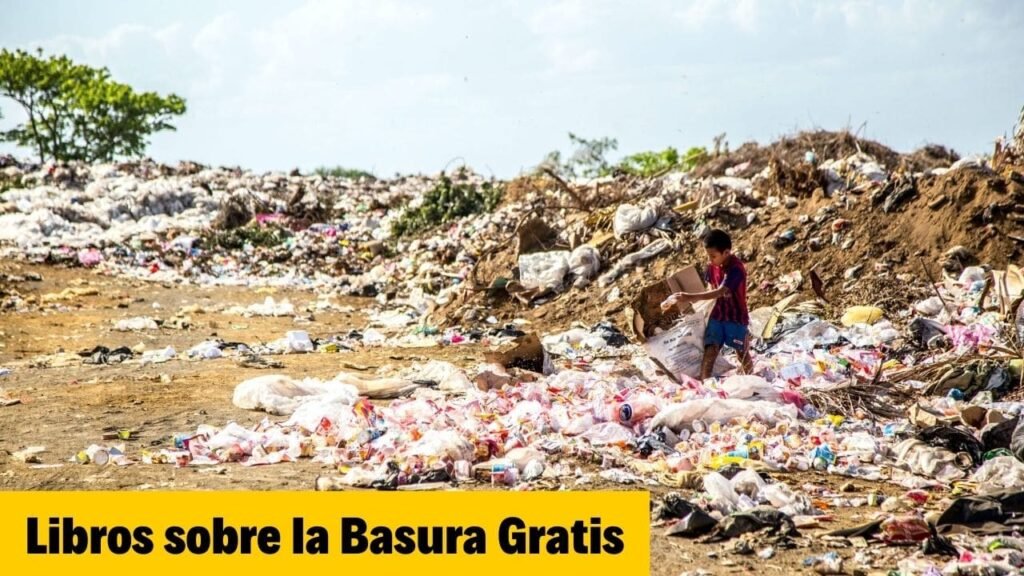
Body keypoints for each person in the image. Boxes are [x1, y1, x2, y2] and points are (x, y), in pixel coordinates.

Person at [660, 229, 753, 379]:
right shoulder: (711, 267)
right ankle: (706, 383)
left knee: (741, 351)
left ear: (726, 253)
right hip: (717, 315)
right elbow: (711, 289)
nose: (710, 260)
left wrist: (688, 296)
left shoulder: (736, 269)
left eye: (713, 256)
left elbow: (720, 291)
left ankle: (751, 379)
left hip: (735, 317)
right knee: (711, 349)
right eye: (708, 256)